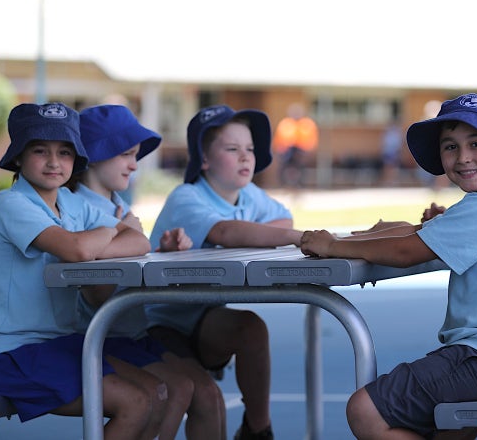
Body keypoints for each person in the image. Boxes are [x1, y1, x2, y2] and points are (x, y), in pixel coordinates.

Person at [300, 93, 477, 440]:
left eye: (476, 144)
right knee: (444, 431)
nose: (463, 157)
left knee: (365, 411)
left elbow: (407, 250)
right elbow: (420, 233)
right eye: (451, 147)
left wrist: (334, 246)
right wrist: (370, 238)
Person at [0, 102, 169, 440]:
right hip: (12, 353)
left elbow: (139, 241)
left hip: (59, 344)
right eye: (40, 150)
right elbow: (77, 250)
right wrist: (111, 231)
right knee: (135, 402)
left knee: (156, 393)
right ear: (18, 156)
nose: (54, 162)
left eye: (64, 152)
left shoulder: (70, 201)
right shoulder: (13, 204)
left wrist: (97, 241)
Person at [148, 104, 304, 440]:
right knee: (207, 397)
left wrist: (255, 230)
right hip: (155, 320)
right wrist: (300, 239)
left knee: (251, 328)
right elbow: (225, 232)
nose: (246, 157)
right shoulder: (186, 197)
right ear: (204, 160)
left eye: (250, 149)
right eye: (232, 149)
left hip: (200, 313)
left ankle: (258, 429)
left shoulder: (247, 194)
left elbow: (282, 218)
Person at [73, 103, 224, 439]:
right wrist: (134, 245)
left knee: (203, 392)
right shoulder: (80, 209)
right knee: (171, 391)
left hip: (131, 332)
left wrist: (160, 252)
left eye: (135, 155)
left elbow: (128, 261)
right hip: (103, 336)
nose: (134, 165)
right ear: (96, 154)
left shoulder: (116, 204)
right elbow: (95, 291)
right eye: (126, 154)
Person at [272, 103, 318, 187]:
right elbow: (278, 138)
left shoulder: (306, 124)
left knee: (301, 167)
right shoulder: (285, 123)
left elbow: (311, 138)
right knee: (283, 166)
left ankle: (300, 184)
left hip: (301, 150)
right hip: (287, 150)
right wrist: (279, 149)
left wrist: (308, 149)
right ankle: (284, 184)